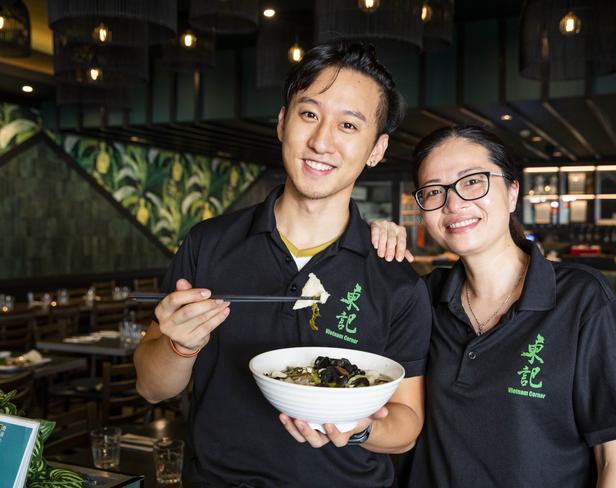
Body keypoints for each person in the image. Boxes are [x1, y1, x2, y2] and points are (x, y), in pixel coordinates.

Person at [134, 41, 432, 488]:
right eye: (309, 114)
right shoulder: (208, 244)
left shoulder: (396, 277)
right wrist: (179, 347)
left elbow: (407, 427)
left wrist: (359, 429)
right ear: (282, 122)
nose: (321, 141)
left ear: (376, 148)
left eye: (349, 125)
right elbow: (151, 388)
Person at [372, 125, 616, 487]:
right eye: (434, 191)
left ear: (513, 190)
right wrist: (367, 247)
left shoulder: (581, 298)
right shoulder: (422, 297)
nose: (453, 204)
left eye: (472, 181)